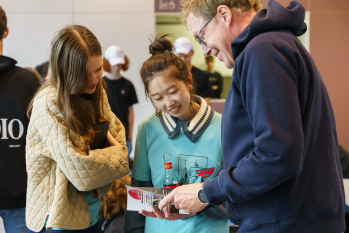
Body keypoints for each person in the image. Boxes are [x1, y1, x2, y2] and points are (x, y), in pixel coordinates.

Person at [159, 0, 346, 232]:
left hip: (282, 223)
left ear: (224, 15)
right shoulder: (275, 45)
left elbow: (277, 153)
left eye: (202, 36)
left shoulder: (262, 51)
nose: (205, 49)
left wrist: (205, 192)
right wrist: (202, 200)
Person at [25, 25, 130, 233]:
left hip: (93, 213)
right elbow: (82, 171)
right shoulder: (48, 102)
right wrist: (117, 153)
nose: (93, 80)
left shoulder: (95, 89)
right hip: (60, 220)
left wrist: (104, 153)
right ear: (66, 72)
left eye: (98, 69)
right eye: (84, 74)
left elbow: (118, 132)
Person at [124, 35, 229, 233]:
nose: (168, 102)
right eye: (157, 97)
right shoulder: (148, 128)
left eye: (173, 91)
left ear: (189, 81)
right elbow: (139, 197)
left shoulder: (223, 126)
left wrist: (198, 203)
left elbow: (234, 198)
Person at [0, 5, 41, 233]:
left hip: (24, 201)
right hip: (23, 197)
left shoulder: (29, 81)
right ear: (6, 32)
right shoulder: (29, 82)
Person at [103, 45, 138, 170]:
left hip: (124, 134)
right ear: (107, 63)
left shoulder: (128, 85)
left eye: (119, 64)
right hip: (106, 134)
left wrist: (130, 135)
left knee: (123, 168)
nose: (117, 67)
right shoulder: (100, 85)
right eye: (114, 64)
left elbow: (130, 112)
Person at [174, 36, 213, 105]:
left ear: (192, 53)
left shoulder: (202, 76)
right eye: (180, 56)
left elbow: (206, 103)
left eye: (186, 56)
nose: (183, 59)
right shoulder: (171, 75)